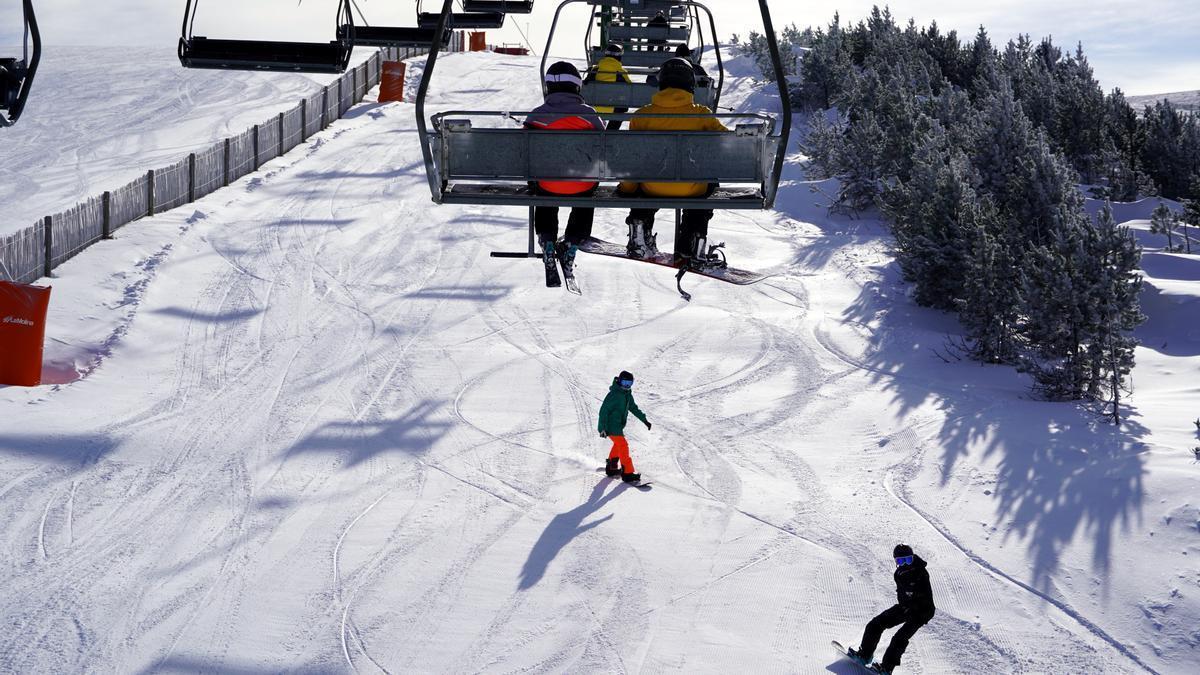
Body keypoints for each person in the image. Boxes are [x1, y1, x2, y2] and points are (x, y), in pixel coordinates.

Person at [618, 57, 729, 265]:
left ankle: (639, 226)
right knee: (709, 182)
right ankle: (693, 241)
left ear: (662, 83)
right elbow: (729, 144)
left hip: (653, 188)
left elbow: (633, 158)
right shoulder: (702, 115)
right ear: (690, 84)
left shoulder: (642, 116)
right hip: (692, 190)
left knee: (643, 178)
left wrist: (627, 189)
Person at [524, 61, 605, 277]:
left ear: (548, 88)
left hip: (548, 184)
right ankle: (573, 241)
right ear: (577, 87)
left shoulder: (537, 115)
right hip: (581, 185)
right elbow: (606, 144)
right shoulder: (589, 115)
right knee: (586, 198)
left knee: (544, 194)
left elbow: (524, 151)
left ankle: (547, 238)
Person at [847, 544, 937, 674]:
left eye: (908, 560)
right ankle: (865, 655)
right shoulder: (899, 574)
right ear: (896, 562)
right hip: (905, 607)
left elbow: (924, 597)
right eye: (901, 561)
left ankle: (886, 669)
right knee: (876, 624)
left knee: (899, 638)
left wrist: (912, 607)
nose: (905, 564)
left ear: (913, 558)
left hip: (922, 612)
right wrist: (905, 607)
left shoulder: (920, 572)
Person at [598, 370, 651, 483]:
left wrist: (644, 420)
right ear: (619, 381)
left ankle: (612, 467)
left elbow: (633, 408)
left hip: (618, 426)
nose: (626, 386)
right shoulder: (614, 394)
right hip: (610, 426)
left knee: (619, 444)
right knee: (623, 445)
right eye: (624, 383)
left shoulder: (627, 394)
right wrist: (602, 428)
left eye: (629, 383)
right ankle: (627, 473)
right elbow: (604, 411)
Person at [584, 43, 633, 131]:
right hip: (613, 108)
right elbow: (629, 89)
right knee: (620, 113)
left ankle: (596, 131)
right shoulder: (621, 72)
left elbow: (587, 84)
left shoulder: (595, 69)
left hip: (595, 107)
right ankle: (610, 133)